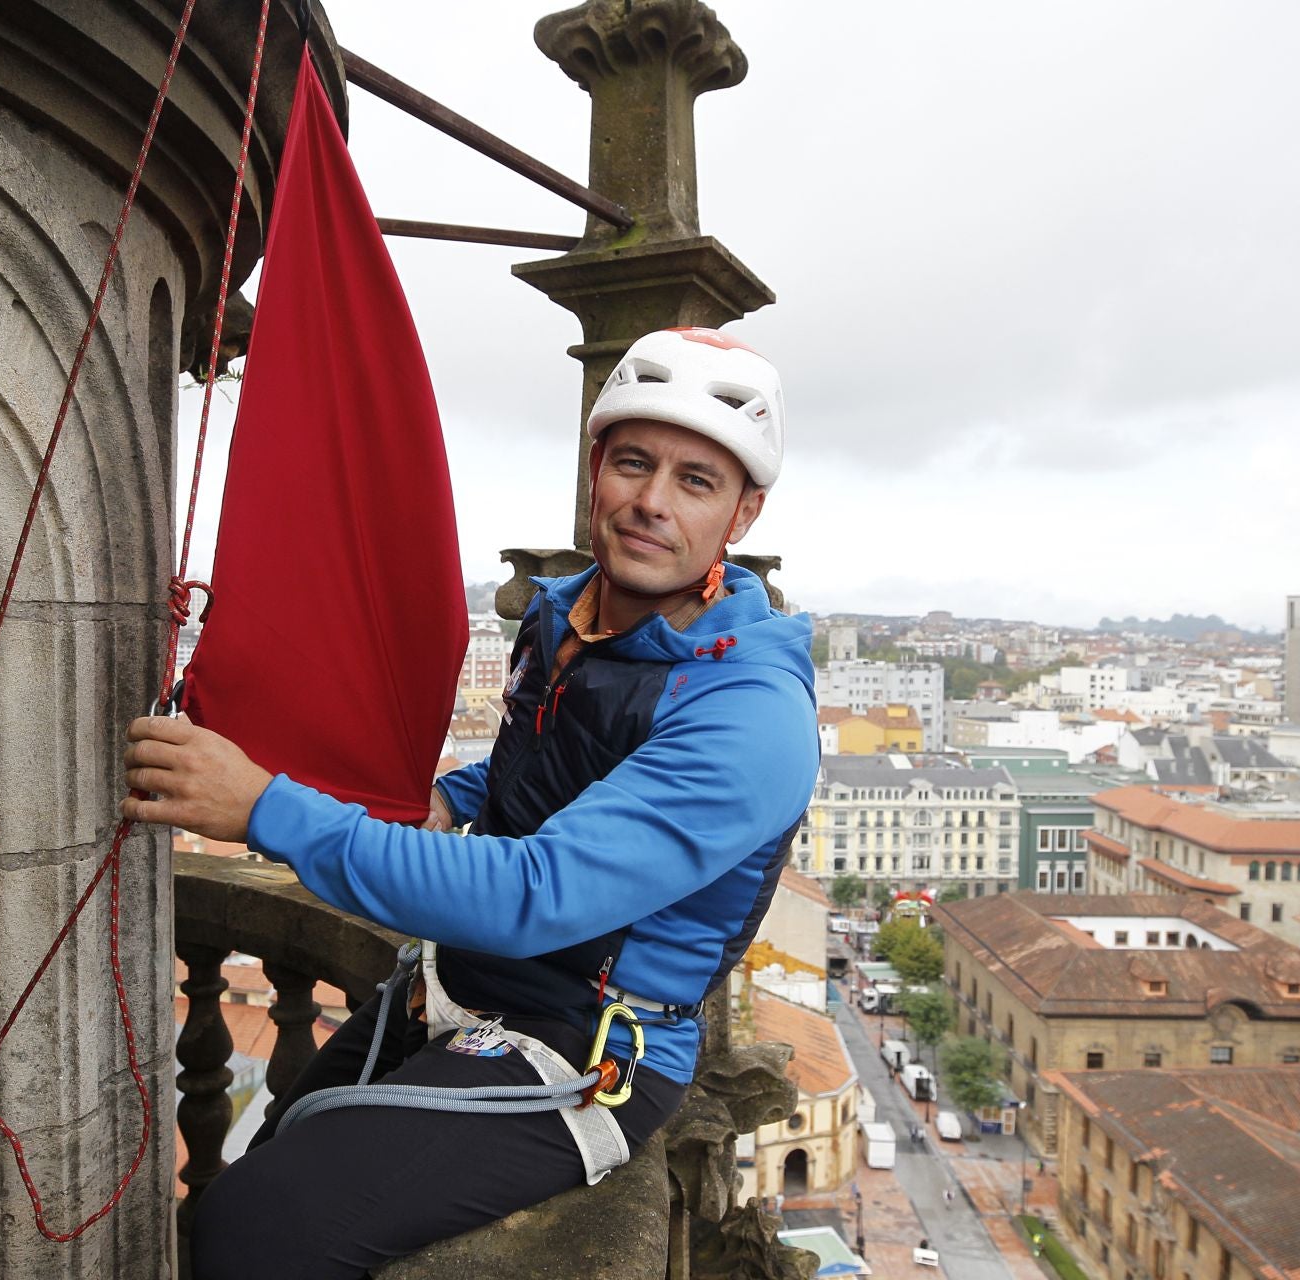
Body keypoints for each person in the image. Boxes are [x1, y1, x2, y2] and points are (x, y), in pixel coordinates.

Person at [123, 327, 818, 1279]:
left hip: (592, 1043)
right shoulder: (564, 617)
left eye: (696, 481)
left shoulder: (750, 710)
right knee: (271, 1152)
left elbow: (540, 891)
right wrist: (449, 801)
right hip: (465, 984)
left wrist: (264, 808)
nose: (652, 503)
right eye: (633, 463)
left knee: (258, 1225)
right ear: (594, 470)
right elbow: (526, 778)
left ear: (742, 515)